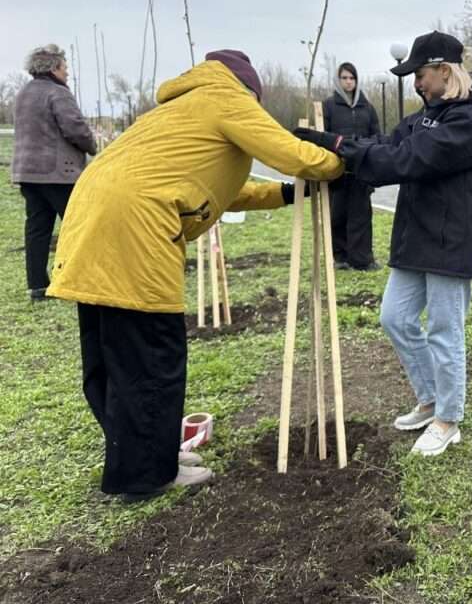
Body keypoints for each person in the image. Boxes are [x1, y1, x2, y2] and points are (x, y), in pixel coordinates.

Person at [48, 49, 344, 502]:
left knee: (114, 354)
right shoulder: (227, 98)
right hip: (136, 228)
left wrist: (284, 195)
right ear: (250, 89)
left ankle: (147, 455)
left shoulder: (182, 108)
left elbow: (220, 190)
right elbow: (292, 153)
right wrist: (341, 165)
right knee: (153, 356)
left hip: (92, 219)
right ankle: (148, 475)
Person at [294, 31, 472, 457]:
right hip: (416, 235)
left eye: (420, 75)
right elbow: (385, 144)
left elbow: (404, 160)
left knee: (445, 331)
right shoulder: (427, 115)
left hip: (451, 240)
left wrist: (335, 146)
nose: (416, 83)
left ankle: (448, 418)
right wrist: (332, 143)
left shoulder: (468, 123)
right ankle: (430, 398)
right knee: (395, 317)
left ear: (445, 71)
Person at [11, 44, 97, 302]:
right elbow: (75, 129)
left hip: (28, 173)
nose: (68, 73)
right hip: (59, 174)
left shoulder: (23, 94)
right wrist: (92, 147)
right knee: (76, 226)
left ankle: (37, 285)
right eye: (65, 67)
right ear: (54, 68)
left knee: (37, 228)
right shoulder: (58, 94)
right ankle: (79, 281)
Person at [323, 61, 381, 271]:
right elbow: (324, 135)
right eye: (344, 78)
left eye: (352, 78)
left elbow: (376, 135)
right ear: (338, 81)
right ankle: (340, 257)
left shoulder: (367, 107)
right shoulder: (329, 106)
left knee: (361, 214)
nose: (348, 82)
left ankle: (362, 259)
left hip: (360, 169)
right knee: (338, 214)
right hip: (337, 168)